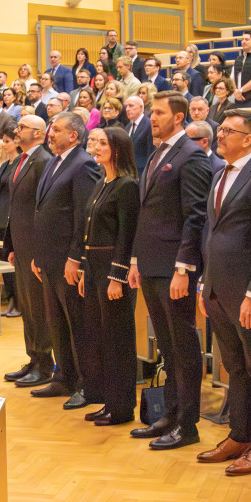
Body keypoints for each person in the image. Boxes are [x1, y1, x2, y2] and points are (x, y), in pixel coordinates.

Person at [128, 91, 211, 450]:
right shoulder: (156, 154)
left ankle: (187, 424)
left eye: (160, 113)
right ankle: (171, 413)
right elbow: (146, 213)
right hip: (151, 263)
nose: (153, 118)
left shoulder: (191, 155)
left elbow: (195, 216)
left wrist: (184, 268)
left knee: (183, 345)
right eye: (152, 112)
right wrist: (136, 260)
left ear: (179, 118)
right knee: (167, 345)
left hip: (175, 267)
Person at [196, 110, 251, 475]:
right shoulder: (219, 173)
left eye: (229, 130)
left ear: (249, 140)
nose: (221, 134)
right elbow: (211, 232)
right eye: (221, 129)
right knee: (234, 366)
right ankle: (239, 435)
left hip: (245, 292)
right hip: (217, 287)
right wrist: (205, 281)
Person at [29, 112, 101, 407]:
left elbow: (84, 217)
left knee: (78, 325)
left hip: (67, 261)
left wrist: (76, 258)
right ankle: (63, 378)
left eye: (56, 129)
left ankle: (88, 384)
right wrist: (38, 254)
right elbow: (43, 211)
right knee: (56, 323)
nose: (50, 133)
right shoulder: (53, 161)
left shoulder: (83, 164)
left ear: (74, 135)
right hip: (49, 259)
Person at [78, 126, 140, 426]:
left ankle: (122, 407)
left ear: (118, 149)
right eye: (96, 142)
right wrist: (84, 271)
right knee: (100, 337)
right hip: (94, 267)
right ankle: (108, 401)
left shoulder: (127, 186)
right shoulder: (102, 182)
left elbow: (127, 235)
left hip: (112, 269)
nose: (97, 147)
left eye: (104, 143)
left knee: (117, 339)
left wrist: (117, 276)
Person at [3, 115, 54, 386]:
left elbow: (42, 209)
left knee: (38, 308)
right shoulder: (21, 160)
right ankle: (33, 358)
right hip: (21, 245)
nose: (17, 129)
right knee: (27, 306)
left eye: (22, 127)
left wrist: (39, 250)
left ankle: (44, 365)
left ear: (37, 133)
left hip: (35, 247)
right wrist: (11, 245)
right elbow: (15, 207)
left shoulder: (43, 161)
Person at [0, 124, 21, 318]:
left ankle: (18, 302)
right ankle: (11, 298)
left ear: (16, 142)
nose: (4, 144)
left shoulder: (21, 162)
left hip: (13, 216)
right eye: (3, 141)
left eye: (7, 141)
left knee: (13, 263)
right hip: (1, 217)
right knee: (4, 261)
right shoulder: (4, 165)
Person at [125, 96, 154, 177]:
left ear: (141, 107)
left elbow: (151, 152)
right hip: (129, 170)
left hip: (142, 171)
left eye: (131, 106)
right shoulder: (128, 126)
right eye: (126, 106)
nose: (127, 109)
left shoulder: (149, 125)